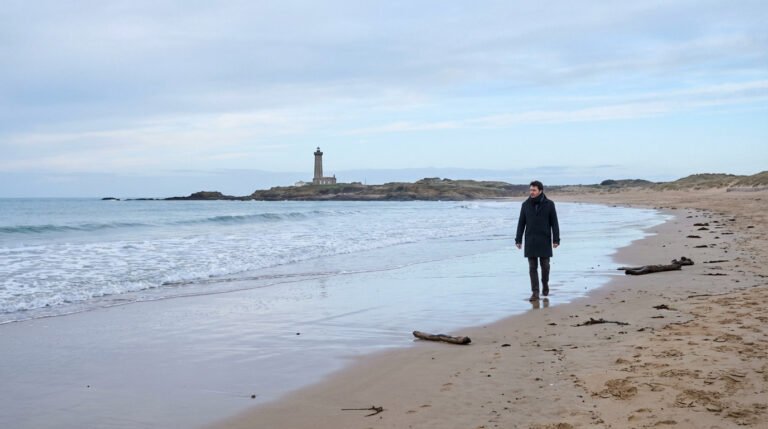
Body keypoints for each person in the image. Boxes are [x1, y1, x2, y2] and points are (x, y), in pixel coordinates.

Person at [515, 180, 560, 301]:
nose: (532, 192)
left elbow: (554, 223)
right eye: (530, 190)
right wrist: (518, 239)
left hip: (544, 239)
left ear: (540, 191)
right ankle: (535, 292)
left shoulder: (549, 204)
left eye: (534, 190)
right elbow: (521, 223)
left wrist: (556, 239)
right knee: (532, 267)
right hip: (531, 240)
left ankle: (545, 284)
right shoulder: (525, 205)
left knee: (545, 266)